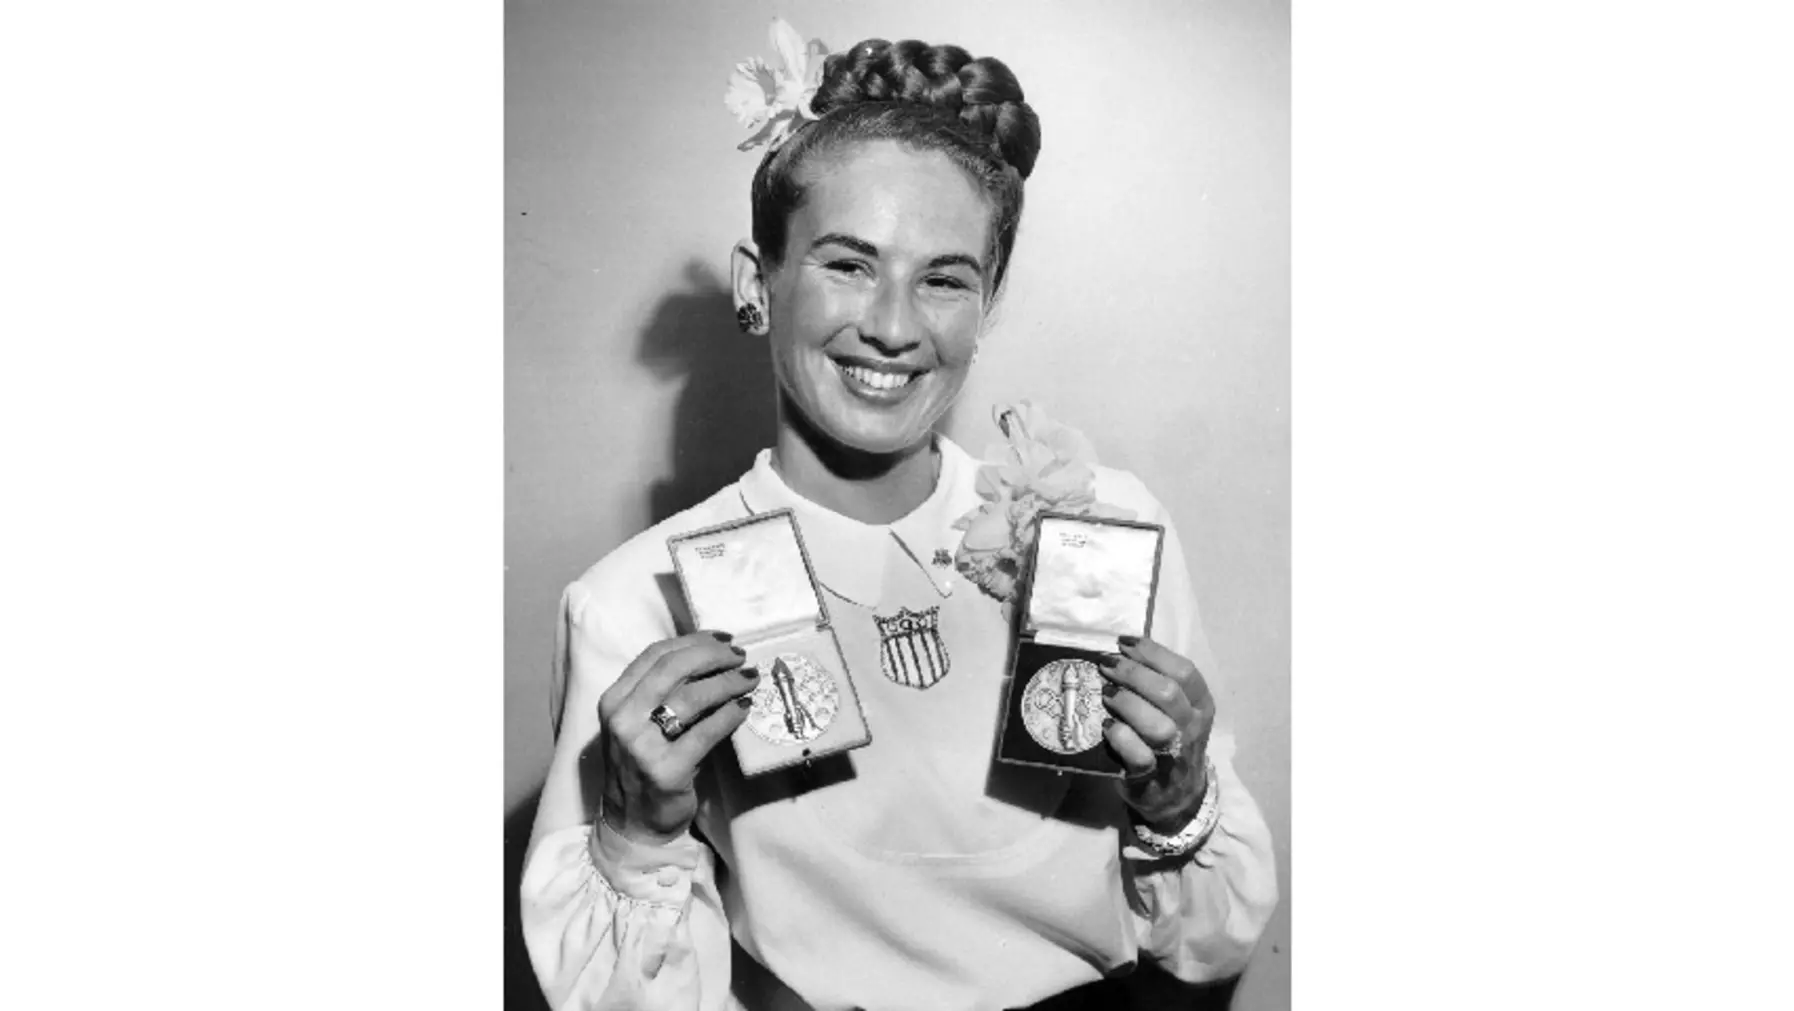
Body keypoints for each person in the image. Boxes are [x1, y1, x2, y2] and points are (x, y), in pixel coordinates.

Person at [521, 21, 1278, 1011]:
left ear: (989, 300)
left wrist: (1178, 803)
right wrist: (638, 834)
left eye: (944, 278)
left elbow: (1207, 946)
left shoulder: (1095, 531)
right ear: (761, 285)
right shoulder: (637, 603)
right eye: (847, 263)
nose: (892, 324)